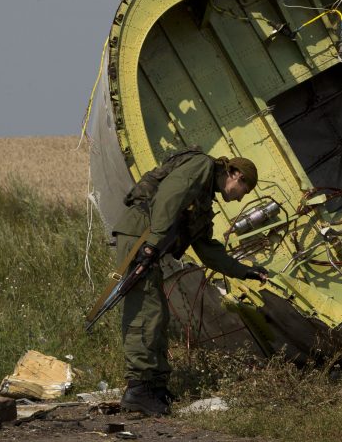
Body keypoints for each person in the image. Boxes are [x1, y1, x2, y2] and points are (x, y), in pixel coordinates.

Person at [112, 149, 268, 415]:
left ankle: (155, 387)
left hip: (149, 240)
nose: (242, 196)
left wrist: (244, 271)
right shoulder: (201, 166)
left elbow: (207, 249)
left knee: (157, 314)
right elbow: (169, 196)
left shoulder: (205, 201)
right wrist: (152, 242)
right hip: (140, 236)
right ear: (235, 175)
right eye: (245, 188)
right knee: (145, 312)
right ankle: (137, 389)